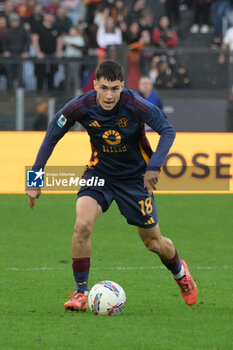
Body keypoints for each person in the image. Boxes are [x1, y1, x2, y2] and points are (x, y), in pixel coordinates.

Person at [26, 59, 198, 311]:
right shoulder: (81, 106)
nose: (109, 95)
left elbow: (167, 130)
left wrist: (153, 167)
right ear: (94, 84)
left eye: (115, 89)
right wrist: (35, 178)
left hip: (135, 178)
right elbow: (53, 131)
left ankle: (180, 273)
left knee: (153, 242)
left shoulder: (135, 103)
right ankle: (81, 293)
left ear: (123, 87)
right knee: (82, 225)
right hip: (100, 173)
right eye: (104, 87)